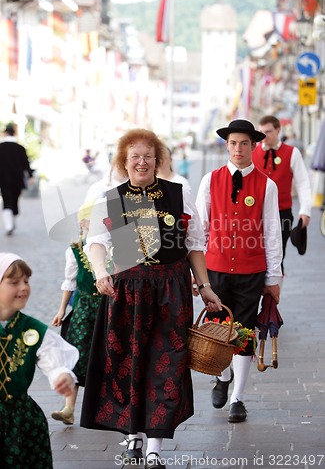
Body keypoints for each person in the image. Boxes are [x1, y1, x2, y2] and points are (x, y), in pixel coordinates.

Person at [80, 128, 222, 469]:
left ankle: (155, 446)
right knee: (128, 363)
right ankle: (132, 437)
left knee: (167, 363)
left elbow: (194, 245)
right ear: (124, 163)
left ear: (157, 161)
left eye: (148, 156)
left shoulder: (179, 193)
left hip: (171, 289)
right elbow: (96, 242)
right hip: (127, 290)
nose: (142, 162)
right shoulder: (112, 197)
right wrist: (101, 272)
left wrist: (205, 287)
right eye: (134, 157)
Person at [195, 119, 282, 423]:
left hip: (250, 270)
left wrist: (273, 279)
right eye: (233, 143)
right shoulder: (210, 180)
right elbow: (199, 229)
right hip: (215, 269)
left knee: (243, 331)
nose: (238, 149)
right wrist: (198, 276)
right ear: (226, 145)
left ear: (253, 146)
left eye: (244, 143)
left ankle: (238, 398)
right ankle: (222, 376)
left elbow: (273, 233)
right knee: (218, 329)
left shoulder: (266, 185)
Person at [0, 252, 79, 468]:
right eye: (14, 282)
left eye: (26, 281)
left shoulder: (33, 329)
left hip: (21, 420)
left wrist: (61, 375)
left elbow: (52, 358)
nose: (23, 287)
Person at [51, 202, 102, 425]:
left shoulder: (109, 246)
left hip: (106, 307)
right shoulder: (75, 249)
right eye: (84, 222)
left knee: (107, 353)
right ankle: (69, 408)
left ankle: (108, 407)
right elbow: (69, 282)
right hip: (83, 309)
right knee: (76, 354)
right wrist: (62, 310)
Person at [253, 116, 311, 272]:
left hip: (282, 213)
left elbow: (303, 182)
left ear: (278, 130)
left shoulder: (292, 153)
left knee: (277, 257)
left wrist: (305, 210)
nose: (264, 136)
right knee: (255, 255)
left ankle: (274, 294)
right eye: (261, 132)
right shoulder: (252, 153)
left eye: (268, 132)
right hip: (254, 214)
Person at [0, 123, 34, 236]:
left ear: (5, 133)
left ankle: (9, 224)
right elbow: (26, 164)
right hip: (17, 179)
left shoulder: (1, 147)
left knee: (6, 200)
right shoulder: (20, 148)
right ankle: (11, 223)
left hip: (3, 179)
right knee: (14, 200)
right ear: (14, 133)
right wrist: (30, 176)